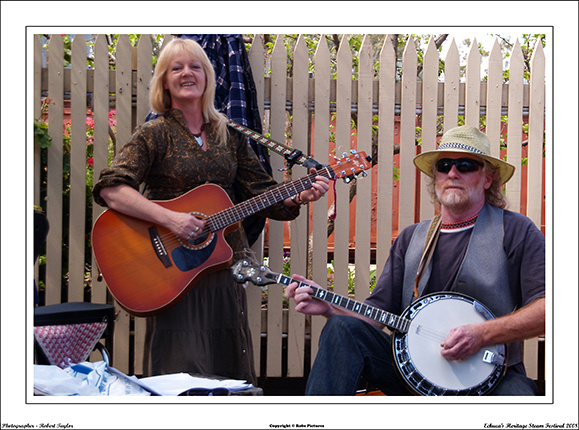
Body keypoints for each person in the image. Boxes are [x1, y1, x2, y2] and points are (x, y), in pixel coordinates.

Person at [92, 38, 330, 385]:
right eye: (177, 67)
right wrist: (171, 219)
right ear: (164, 81)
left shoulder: (228, 134)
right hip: (174, 271)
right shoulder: (154, 133)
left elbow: (262, 193)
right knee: (181, 364)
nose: (187, 73)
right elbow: (112, 188)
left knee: (227, 359)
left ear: (208, 77)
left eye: (196, 66)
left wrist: (298, 194)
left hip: (224, 261)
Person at [286, 125, 545, 395]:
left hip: (493, 377)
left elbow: (549, 308)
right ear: (436, 177)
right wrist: (329, 306)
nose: (453, 173)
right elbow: (375, 314)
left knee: (518, 401)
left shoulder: (516, 230)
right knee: (342, 328)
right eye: (444, 165)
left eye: (466, 165)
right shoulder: (411, 238)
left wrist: (483, 334)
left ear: (488, 179)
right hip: (411, 375)